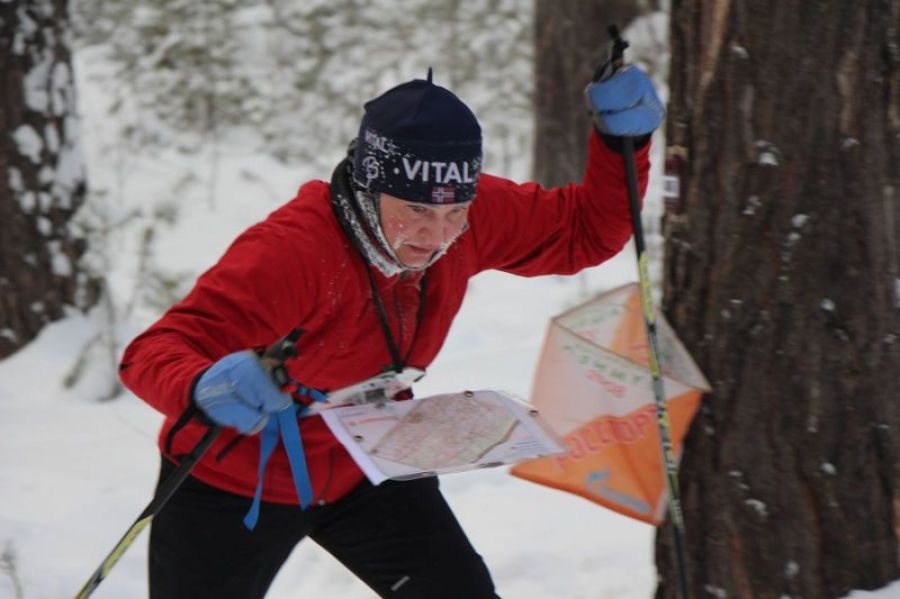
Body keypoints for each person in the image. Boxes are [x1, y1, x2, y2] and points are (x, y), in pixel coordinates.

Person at [119, 64, 663, 598]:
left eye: (457, 214)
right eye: (415, 212)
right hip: (237, 480)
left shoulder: (459, 214)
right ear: (369, 188)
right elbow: (154, 351)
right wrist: (202, 385)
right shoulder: (294, 252)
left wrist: (624, 147)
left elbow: (583, 232)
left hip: (368, 455)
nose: (437, 236)